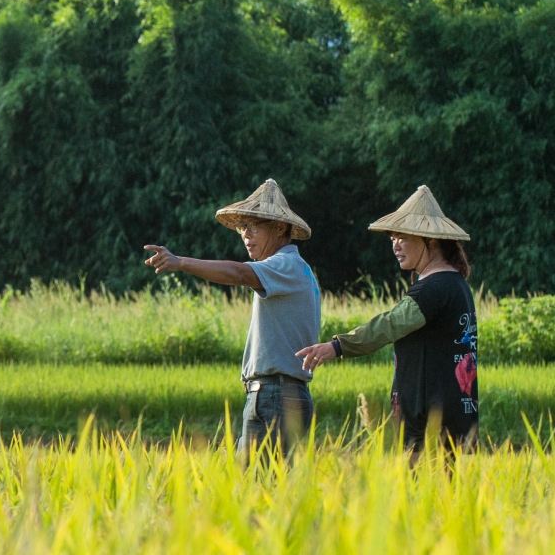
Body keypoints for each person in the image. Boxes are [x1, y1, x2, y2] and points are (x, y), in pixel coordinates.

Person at [296, 185, 478, 461]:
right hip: (455, 414)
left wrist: (337, 346)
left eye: (403, 237)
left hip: (430, 419)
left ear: (430, 241)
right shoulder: (455, 283)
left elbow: (390, 324)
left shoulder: (433, 289)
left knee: (421, 497)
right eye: (393, 237)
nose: (395, 245)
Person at [145, 179, 321, 455]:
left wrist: (180, 263)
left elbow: (239, 273)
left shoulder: (285, 265)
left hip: (275, 395)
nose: (246, 235)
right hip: (275, 394)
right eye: (242, 228)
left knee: (255, 488)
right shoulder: (296, 269)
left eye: (254, 226)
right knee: (262, 489)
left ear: (279, 228)